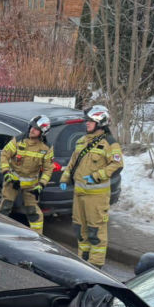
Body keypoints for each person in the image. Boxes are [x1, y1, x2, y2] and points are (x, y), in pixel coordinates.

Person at [61, 105, 124, 267]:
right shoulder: (82, 141)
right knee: (80, 230)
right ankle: (84, 260)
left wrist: (96, 176)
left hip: (96, 197)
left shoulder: (110, 143)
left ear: (99, 122)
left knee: (96, 232)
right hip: (79, 194)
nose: (86, 124)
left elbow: (117, 165)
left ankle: (96, 266)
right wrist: (64, 178)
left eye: (90, 121)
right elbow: (73, 162)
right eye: (87, 121)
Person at [0, 114, 54, 234]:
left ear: (42, 133)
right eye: (31, 127)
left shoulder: (46, 148)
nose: (32, 130)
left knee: (33, 212)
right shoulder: (18, 140)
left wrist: (41, 185)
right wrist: (6, 173)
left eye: (36, 129)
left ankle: (37, 238)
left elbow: (48, 169)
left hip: (31, 185)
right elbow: (4, 155)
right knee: (5, 207)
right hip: (12, 181)